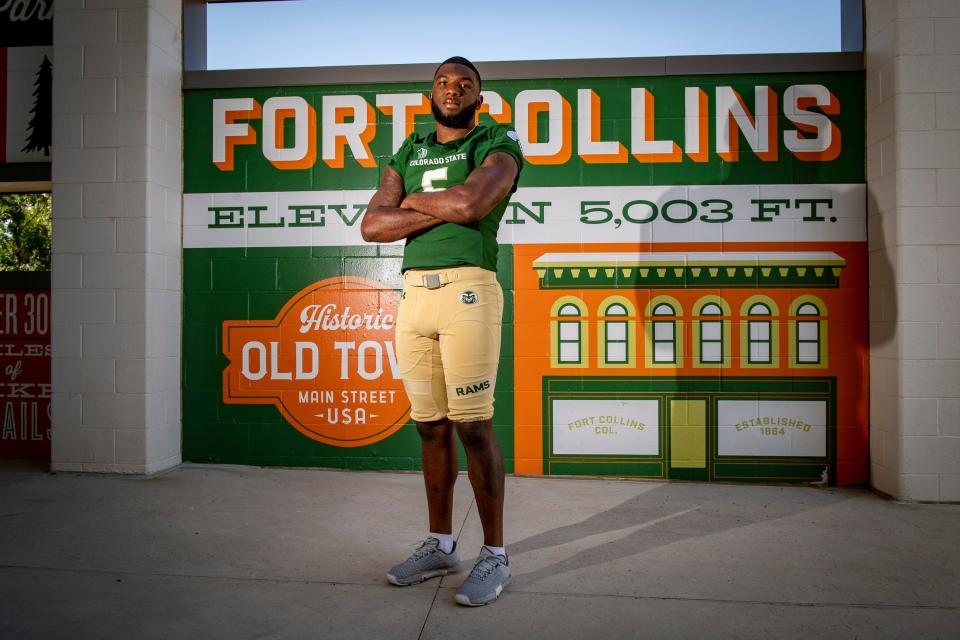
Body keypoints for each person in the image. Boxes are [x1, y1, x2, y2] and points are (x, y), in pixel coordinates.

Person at [360, 56, 523, 606]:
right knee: (430, 427)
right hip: (415, 297)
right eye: (443, 82)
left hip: (468, 292)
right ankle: (441, 544)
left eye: (465, 84)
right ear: (430, 91)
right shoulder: (408, 149)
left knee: (473, 426)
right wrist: (441, 206)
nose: (452, 90)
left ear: (480, 95)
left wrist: (410, 202)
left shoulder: (495, 141)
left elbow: (473, 201)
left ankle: (496, 556)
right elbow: (373, 225)